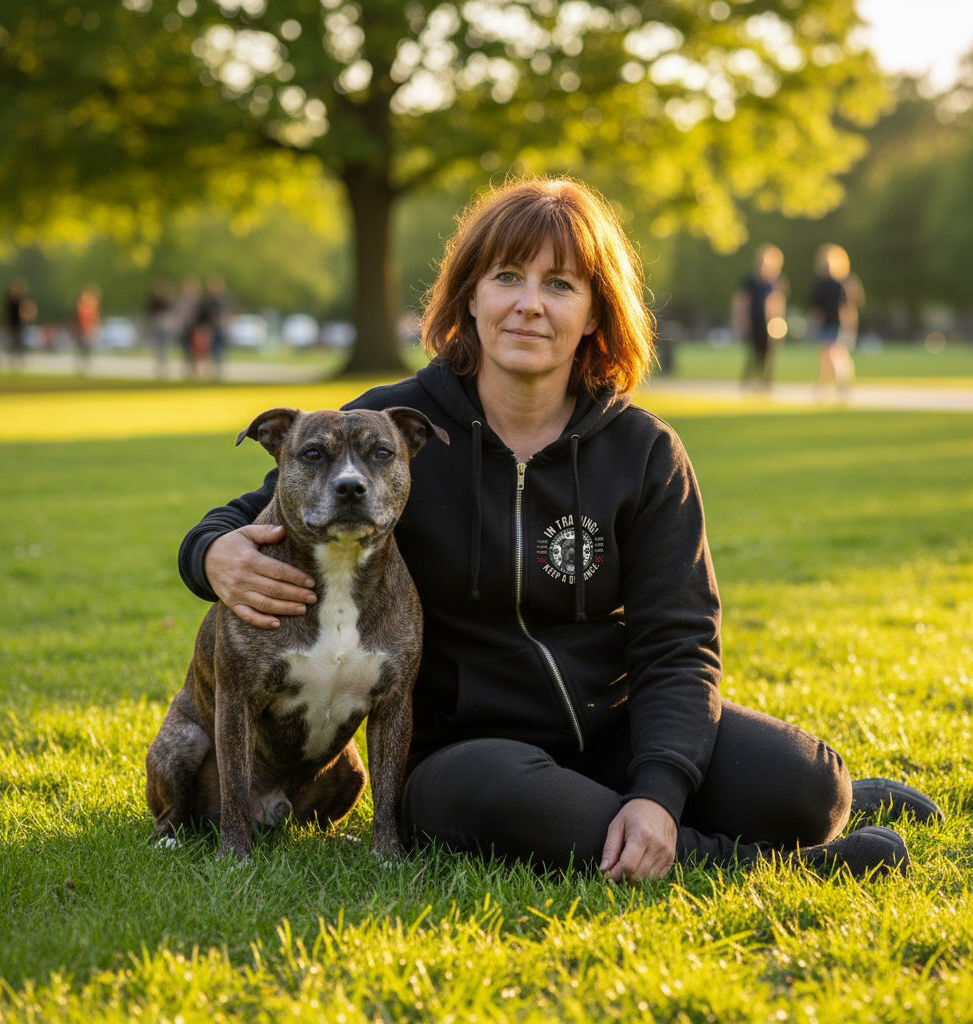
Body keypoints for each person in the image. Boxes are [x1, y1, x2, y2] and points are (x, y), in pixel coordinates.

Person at [177, 177, 942, 881]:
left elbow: (679, 641)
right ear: (468, 298)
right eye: (506, 277)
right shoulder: (394, 432)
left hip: (612, 723)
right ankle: (745, 863)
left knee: (805, 791)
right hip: (467, 753)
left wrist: (660, 786)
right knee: (493, 800)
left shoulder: (644, 452)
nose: (528, 305)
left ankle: (836, 797)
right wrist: (211, 554)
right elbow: (259, 509)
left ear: (594, 314)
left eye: (560, 285)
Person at [808, 244, 864, 396]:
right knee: (827, 357)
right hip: (826, 325)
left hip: (837, 325)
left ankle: (841, 384)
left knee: (834, 355)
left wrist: (849, 326)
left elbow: (848, 309)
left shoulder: (843, 285)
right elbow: (817, 310)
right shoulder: (820, 285)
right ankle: (824, 386)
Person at [732, 244, 787, 390]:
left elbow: (778, 304)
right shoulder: (749, 282)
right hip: (753, 322)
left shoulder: (776, 283)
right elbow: (741, 302)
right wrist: (741, 321)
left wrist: (778, 324)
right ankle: (749, 381)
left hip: (770, 324)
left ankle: (766, 383)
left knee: (768, 355)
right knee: (753, 353)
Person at [73, 284, 101, 374]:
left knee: (86, 349)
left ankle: (84, 366)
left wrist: (93, 329)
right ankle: (81, 367)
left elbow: (94, 319)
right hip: (81, 330)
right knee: (82, 349)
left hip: (87, 330)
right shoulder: (82, 306)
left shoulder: (92, 307)